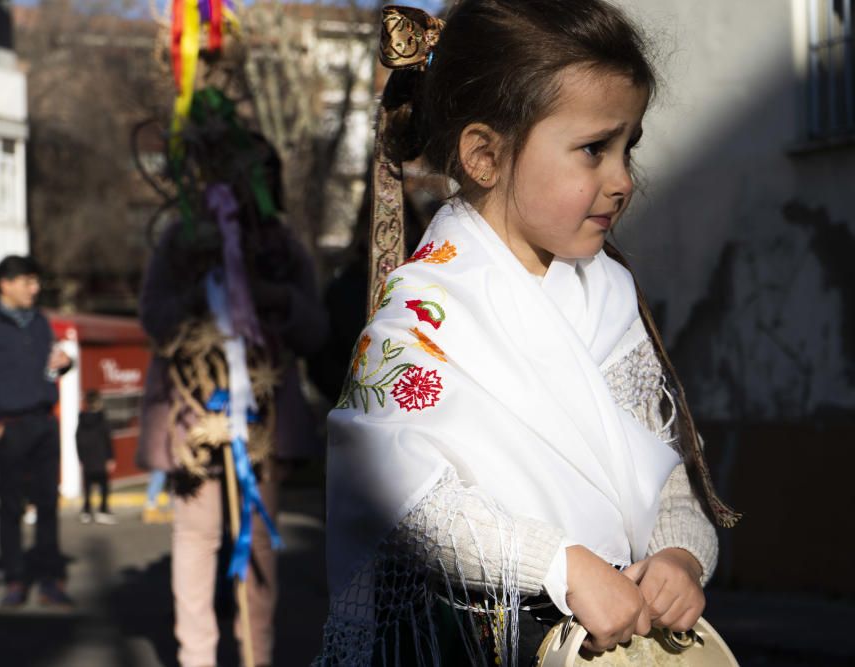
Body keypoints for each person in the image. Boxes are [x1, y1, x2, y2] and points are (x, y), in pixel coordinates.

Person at [317, 1, 740, 664]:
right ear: (485, 155)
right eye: (593, 149)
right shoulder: (425, 315)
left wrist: (681, 553)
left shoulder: (609, 296)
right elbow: (400, 493)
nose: (623, 179)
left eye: (628, 146)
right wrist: (560, 563)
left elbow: (662, 467)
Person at [138, 115, 328, 667]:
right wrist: (204, 299)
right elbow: (154, 316)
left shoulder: (283, 247)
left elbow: (314, 329)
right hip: (192, 413)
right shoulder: (181, 240)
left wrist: (271, 297)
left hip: (264, 418)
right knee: (196, 540)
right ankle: (196, 657)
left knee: (258, 545)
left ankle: (256, 655)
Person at [0, 256, 73, 608]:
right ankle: (15, 578)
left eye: (36, 282)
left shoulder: (40, 322)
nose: (34, 289)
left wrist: (64, 366)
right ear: (5, 284)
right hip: (9, 426)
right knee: (10, 506)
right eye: (28, 282)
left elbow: (49, 368)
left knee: (48, 502)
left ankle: (51, 578)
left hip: (44, 422)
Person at [76, 389, 116, 525]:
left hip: (87, 459)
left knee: (87, 487)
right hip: (101, 458)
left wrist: (81, 458)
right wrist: (110, 458)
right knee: (103, 486)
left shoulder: (81, 419)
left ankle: (86, 511)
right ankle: (102, 510)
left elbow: (78, 439)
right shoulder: (102, 418)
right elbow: (107, 439)